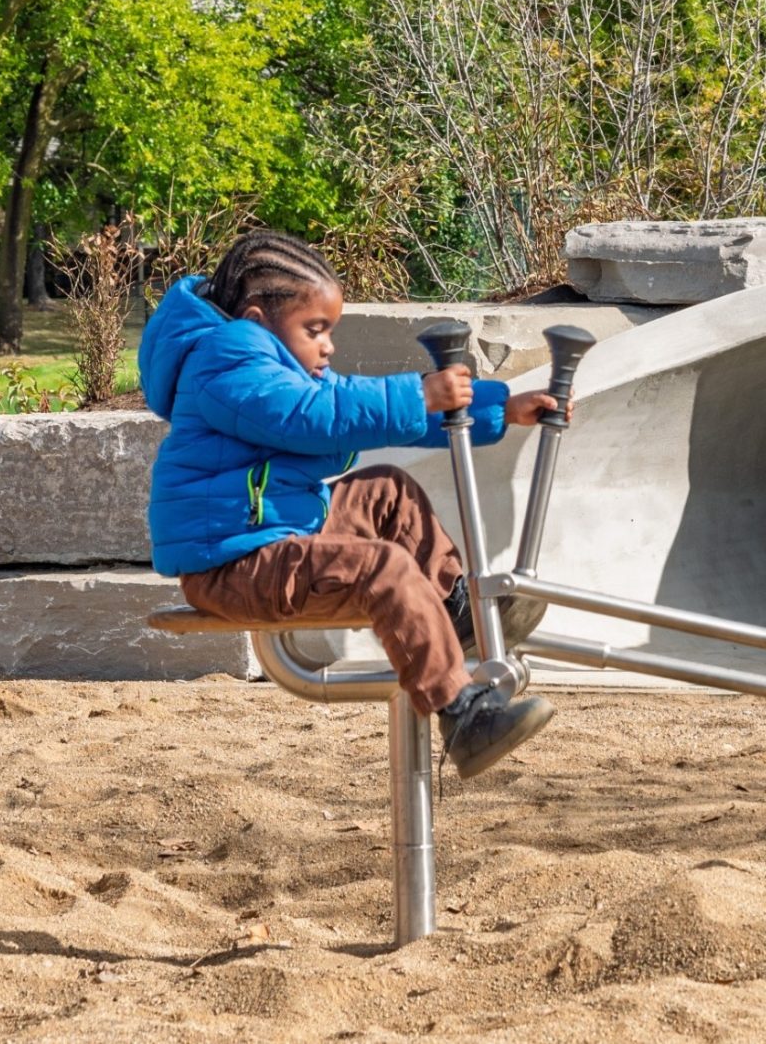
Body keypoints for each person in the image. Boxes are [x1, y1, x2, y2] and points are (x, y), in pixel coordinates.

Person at [140, 230, 559, 778]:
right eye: (315, 329)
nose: (328, 346)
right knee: (383, 566)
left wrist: (500, 408)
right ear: (258, 319)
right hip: (232, 564)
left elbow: (353, 405)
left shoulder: (263, 358)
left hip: (273, 534)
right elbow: (311, 417)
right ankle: (462, 715)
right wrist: (418, 394)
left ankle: (454, 615)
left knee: (385, 490)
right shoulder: (224, 362)